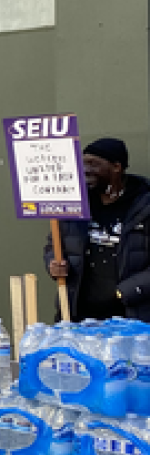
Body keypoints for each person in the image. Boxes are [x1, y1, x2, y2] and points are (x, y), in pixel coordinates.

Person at [46, 137, 150, 321]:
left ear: (117, 167)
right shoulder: (74, 205)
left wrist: (124, 292)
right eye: (83, 164)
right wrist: (53, 265)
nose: (85, 170)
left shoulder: (144, 205)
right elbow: (54, 245)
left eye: (93, 164)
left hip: (131, 320)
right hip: (79, 318)